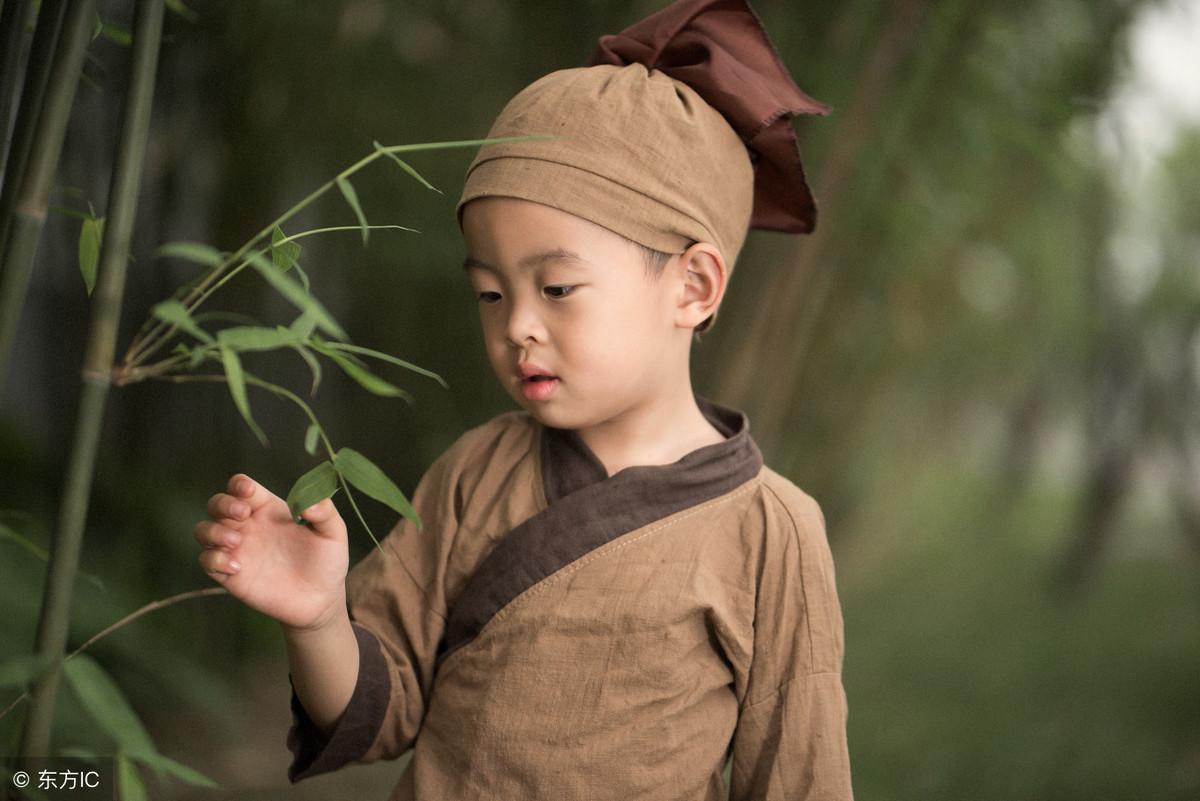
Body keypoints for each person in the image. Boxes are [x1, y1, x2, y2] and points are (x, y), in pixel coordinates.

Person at [192, 0, 853, 798]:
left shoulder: (769, 533)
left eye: (557, 286)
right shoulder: (479, 470)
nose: (519, 327)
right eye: (491, 294)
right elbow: (381, 705)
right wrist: (318, 618)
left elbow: (799, 778)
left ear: (693, 284)